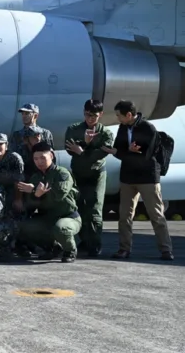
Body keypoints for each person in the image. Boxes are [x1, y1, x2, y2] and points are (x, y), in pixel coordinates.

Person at [102, 100, 174, 260]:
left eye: (119, 115)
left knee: (156, 214)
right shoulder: (122, 128)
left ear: (129, 114)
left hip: (147, 177)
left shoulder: (148, 128)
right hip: (128, 177)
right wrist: (127, 151)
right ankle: (124, 249)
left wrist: (124, 152)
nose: (117, 118)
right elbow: (117, 151)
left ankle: (166, 249)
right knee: (124, 215)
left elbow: (145, 155)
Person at [64, 99, 114, 257]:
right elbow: (69, 149)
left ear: (101, 115)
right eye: (87, 114)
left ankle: (95, 244)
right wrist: (85, 147)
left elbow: (99, 155)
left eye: (94, 115)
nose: (90, 118)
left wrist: (82, 150)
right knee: (78, 207)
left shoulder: (106, 133)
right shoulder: (73, 129)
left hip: (96, 174)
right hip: (78, 173)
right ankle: (84, 241)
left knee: (94, 209)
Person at [17, 141, 81, 263]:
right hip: (48, 218)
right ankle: (53, 248)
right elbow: (30, 203)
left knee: (61, 228)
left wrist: (36, 190)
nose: (39, 162)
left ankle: (70, 251)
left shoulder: (62, 173)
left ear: (51, 156)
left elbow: (59, 194)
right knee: (25, 226)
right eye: (35, 159)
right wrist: (35, 195)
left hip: (68, 217)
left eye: (42, 158)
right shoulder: (35, 178)